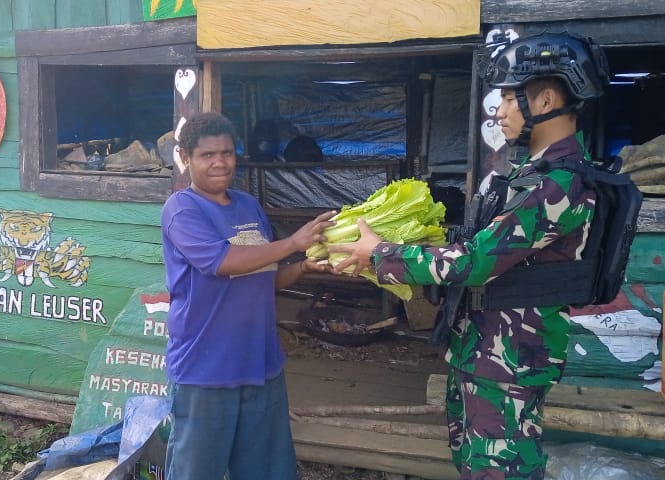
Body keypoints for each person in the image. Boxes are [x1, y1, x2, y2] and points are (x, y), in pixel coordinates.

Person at [328, 32, 610, 479]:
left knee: (500, 471)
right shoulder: (526, 177)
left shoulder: (558, 185)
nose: (498, 110)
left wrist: (380, 254)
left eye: (508, 99)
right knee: (475, 465)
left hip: (510, 359)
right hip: (483, 349)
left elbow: (474, 263)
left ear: (547, 99)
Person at [161, 112, 336, 479]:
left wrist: (303, 265)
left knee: (266, 471)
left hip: (260, 364)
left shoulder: (247, 205)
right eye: (207, 155)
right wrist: (290, 242)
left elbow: (262, 277)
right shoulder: (182, 208)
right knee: (198, 471)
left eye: (227, 152)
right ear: (186, 157)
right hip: (206, 368)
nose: (220, 162)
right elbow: (222, 262)